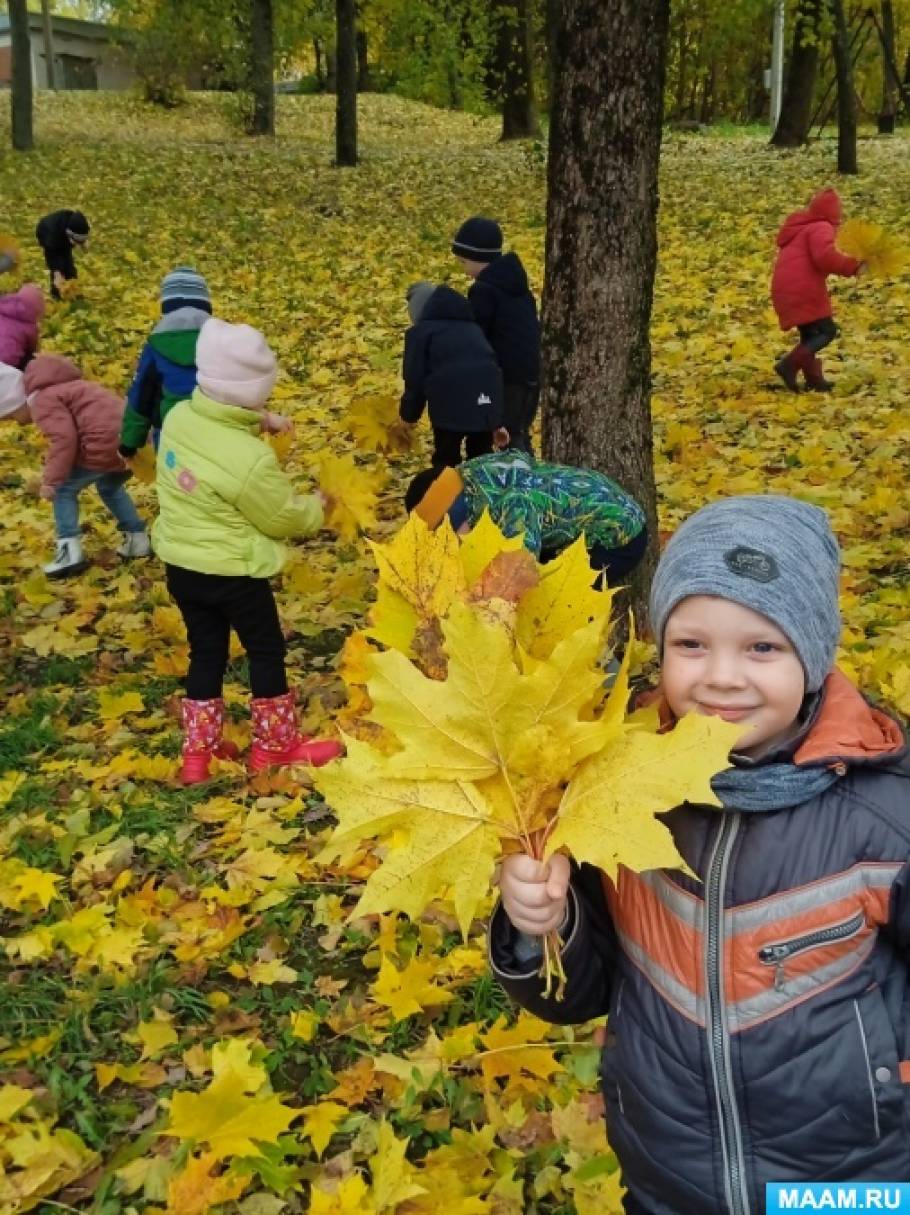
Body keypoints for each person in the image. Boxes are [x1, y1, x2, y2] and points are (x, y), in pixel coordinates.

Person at [490, 495, 910, 1213]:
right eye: (691, 644)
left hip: (849, 1175)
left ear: (812, 654)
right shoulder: (616, 789)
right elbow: (581, 992)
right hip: (669, 1174)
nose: (721, 677)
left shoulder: (882, 810)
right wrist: (542, 926)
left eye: (761, 647)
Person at [152, 317, 342, 784]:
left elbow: (219, 422)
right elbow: (280, 517)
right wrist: (316, 507)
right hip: (233, 573)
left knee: (206, 653)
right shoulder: (250, 460)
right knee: (265, 650)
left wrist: (261, 421)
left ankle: (198, 755)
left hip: (182, 565)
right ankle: (275, 748)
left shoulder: (178, 417)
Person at [0, 355, 150, 578]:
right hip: (131, 440)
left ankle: (69, 551)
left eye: (11, 415)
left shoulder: (43, 400)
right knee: (110, 487)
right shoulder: (74, 386)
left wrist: (51, 481)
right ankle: (138, 539)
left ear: (17, 401)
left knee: (63, 489)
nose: (17, 421)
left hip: (102, 445)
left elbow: (64, 441)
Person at [405, 450, 647, 585]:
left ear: (459, 510)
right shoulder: (478, 476)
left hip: (617, 536)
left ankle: (605, 671)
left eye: (450, 529)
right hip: (589, 516)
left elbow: (521, 571)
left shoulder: (511, 504)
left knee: (559, 606)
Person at [452, 216, 540, 453]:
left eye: (463, 262)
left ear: (478, 258)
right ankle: (525, 473)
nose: (464, 270)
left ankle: (521, 482)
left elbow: (477, 336)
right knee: (517, 432)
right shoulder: (517, 287)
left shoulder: (483, 291)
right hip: (529, 375)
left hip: (506, 378)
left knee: (506, 437)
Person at [399, 280, 504, 467]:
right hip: (484, 401)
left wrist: (408, 416)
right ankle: (482, 492)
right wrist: (496, 419)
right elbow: (490, 368)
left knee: (446, 457)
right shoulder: (473, 329)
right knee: (481, 456)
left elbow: (415, 378)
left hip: (449, 402)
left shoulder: (421, 333)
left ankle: (448, 493)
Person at [771, 188, 862, 393]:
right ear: (833, 212)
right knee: (826, 331)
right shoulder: (821, 227)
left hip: (787, 288)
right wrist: (852, 266)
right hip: (802, 289)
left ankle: (814, 380)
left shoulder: (804, 228)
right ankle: (788, 365)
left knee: (810, 335)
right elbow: (825, 257)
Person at [119, 266, 213, 458]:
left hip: (171, 434)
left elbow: (141, 396)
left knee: (175, 484)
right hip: (218, 430)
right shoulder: (224, 340)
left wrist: (129, 443)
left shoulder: (155, 347)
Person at [35, 209, 90, 300]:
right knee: (59, 266)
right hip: (45, 232)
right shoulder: (51, 236)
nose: (76, 244)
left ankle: (74, 290)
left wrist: (83, 242)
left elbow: (80, 234)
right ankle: (56, 293)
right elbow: (51, 255)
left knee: (69, 265)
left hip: (62, 233)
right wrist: (56, 272)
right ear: (69, 234)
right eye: (76, 241)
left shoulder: (76, 223)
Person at [0, 283, 44, 370]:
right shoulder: (30, 325)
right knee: (31, 359)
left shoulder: (4, 310)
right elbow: (32, 348)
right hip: (9, 363)